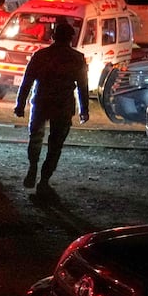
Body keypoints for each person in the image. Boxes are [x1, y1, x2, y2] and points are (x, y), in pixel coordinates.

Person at [13, 18, 88, 191]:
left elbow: (27, 81)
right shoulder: (77, 58)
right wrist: (84, 110)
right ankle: (44, 180)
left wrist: (20, 104)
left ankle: (32, 168)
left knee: (35, 138)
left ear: (53, 36)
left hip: (41, 102)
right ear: (71, 38)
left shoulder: (41, 55)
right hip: (63, 105)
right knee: (55, 145)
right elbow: (83, 86)